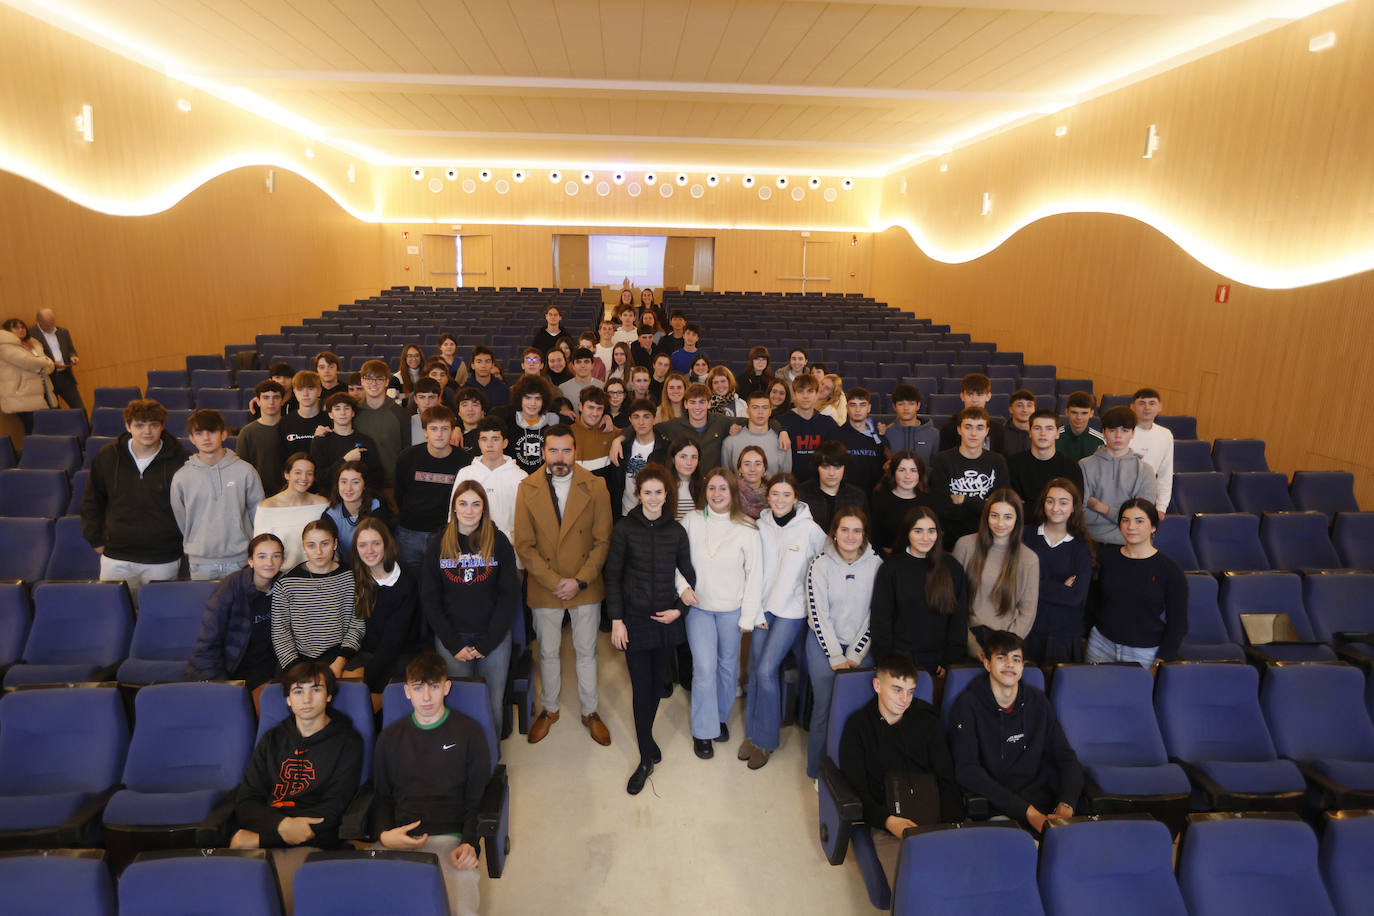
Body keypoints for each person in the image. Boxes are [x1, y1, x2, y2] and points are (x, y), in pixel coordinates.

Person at [229, 661, 364, 910]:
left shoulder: (348, 742)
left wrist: (262, 838)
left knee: (278, 902)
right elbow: (247, 800)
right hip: (271, 829)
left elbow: (333, 810)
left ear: (329, 695)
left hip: (312, 840)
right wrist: (282, 826)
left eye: (316, 689)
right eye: (298, 691)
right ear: (288, 700)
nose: (307, 699)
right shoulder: (272, 740)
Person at [513, 426, 614, 747]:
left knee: (587, 651)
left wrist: (580, 580)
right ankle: (551, 709)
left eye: (566, 451)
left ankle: (590, 711)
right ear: (543, 453)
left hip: (585, 583)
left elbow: (602, 541)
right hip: (546, 586)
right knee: (548, 652)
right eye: (553, 451)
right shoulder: (526, 488)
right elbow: (524, 545)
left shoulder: (596, 486)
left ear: (575, 452)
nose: (560, 458)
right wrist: (557, 582)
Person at [371, 651, 490, 916]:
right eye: (418, 688)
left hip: (450, 842)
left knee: (459, 910)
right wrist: (383, 835)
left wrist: (470, 842)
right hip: (399, 840)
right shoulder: (389, 738)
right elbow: (382, 797)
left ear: (446, 687)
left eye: (434, 687)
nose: (426, 697)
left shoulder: (470, 732)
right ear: (406, 692)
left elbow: (476, 799)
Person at [606, 463, 697, 794]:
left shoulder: (676, 531)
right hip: (634, 620)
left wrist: (680, 610)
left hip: (666, 621)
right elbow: (613, 576)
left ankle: (646, 738)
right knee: (642, 688)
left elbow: (688, 576)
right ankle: (646, 756)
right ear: (638, 494)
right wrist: (616, 620)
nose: (654, 497)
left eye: (659, 492)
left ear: (667, 494)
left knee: (657, 685)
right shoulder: (625, 529)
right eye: (648, 492)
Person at [838, 654, 963, 885]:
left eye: (910, 691)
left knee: (963, 882)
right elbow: (857, 788)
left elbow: (946, 778)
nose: (904, 699)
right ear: (877, 685)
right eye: (897, 690)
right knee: (916, 890)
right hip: (888, 825)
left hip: (935, 819)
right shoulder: (858, 728)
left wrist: (952, 826)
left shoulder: (927, 720)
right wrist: (887, 821)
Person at [947, 630, 1083, 834]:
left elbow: (1066, 758)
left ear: (1022, 666)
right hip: (999, 808)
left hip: (1045, 805)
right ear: (987, 663)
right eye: (1001, 658)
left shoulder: (1038, 701)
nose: (1010, 664)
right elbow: (967, 771)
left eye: (1016, 659)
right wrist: (1028, 812)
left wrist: (1066, 806)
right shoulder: (967, 705)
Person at [739, 473, 827, 770]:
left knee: (766, 670)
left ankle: (765, 741)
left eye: (785, 495)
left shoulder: (811, 530)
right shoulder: (759, 526)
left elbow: (823, 568)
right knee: (754, 670)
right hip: (762, 610)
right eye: (774, 494)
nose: (779, 500)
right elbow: (752, 570)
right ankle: (752, 733)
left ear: (796, 498)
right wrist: (754, 610)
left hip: (791, 611)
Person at [678, 467, 762, 759]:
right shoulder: (690, 520)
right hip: (699, 608)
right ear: (705, 492)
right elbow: (676, 559)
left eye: (722, 488)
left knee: (728, 668)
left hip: (731, 611)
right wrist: (681, 588)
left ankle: (719, 717)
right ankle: (703, 731)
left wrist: (747, 616)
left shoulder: (748, 528)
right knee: (704, 669)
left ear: (733, 493)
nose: (716, 494)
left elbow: (755, 575)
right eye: (712, 488)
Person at [423, 481, 520, 731]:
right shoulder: (437, 543)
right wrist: (453, 643)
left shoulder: (499, 542)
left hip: (493, 638)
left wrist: (488, 642)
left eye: (476, 504)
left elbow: (508, 597)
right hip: (452, 639)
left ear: (484, 509)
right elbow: (430, 598)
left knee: (491, 702)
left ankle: (490, 763)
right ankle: (461, 759)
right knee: (457, 702)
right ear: (454, 508)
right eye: (463, 504)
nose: (469, 510)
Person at [81, 398, 188, 596]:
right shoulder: (108, 457)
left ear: (162, 426)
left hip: (163, 557)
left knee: (158, 616)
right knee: (117, 615)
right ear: (128, 426)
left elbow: (191, 508)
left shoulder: (181, 460)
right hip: (117, 556)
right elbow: (92, 501)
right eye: (139, 425)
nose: (147, 431)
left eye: (153, 425)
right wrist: (95, 539)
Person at [803, 508, 881, 780]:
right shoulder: (819, 563)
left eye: (856, 530)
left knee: (856, 707)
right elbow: (817, 614)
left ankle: (849, 772)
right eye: (844, 529)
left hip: (861, 647)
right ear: (834, 533)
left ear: (864, 535)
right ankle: (817, 771)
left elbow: (876, 614)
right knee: (824, 707)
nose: (850, 536)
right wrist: (836, 656)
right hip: (824, 644)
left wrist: (855, 655)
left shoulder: (876, 565)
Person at [1086, 498, 1188, 668]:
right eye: (1125, 520)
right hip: (1101, 644)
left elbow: (1178, 622)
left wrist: (1164, 657)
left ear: (1153, 526)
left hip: (1144, 652)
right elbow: (1092, 603)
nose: (1131, 527)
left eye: (1139, 521)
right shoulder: (1106, 559)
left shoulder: (1170, 570)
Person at [186, 533, 286, 704]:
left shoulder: (285, 586)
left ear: (282, 560)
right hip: (230, 670)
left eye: (275, 556)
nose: (269, 563)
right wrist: (221, 686)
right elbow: (207, 644)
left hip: (265, 671)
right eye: (262, 557)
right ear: (251, 561)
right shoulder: (231, 587)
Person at [869, 506, 969, 675]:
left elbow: (959, 619)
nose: (925, 538)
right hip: (899, 660)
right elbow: (881, 619)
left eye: (931, 531)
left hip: (939, 662)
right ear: (907, 533)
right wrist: (885, 660)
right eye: (918, 531)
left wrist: (950, 661)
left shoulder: (952, 568)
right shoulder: (891, 568)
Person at [171, 408, 265, 580]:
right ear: (191, 439)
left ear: (223, 435)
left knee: (242, 608)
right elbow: (182, 520)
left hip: (241, 560)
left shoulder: (245, 471)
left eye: (212, 431)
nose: (206, 438)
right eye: (199, 433)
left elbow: (258, 515)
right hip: (200, 563)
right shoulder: (181, 477)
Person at [951, 489, 1038, 661]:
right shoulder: (965, 546)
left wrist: (1004, 649)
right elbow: (953, 601)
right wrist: (972, 645)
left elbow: (1027, 612)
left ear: (1017, 520)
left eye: (1008, 517)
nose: (1000, 523)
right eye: (995, 515)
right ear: (986, 516)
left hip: (1006, 645)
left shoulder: (1029, 559)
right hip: (966, 640)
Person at [346, 517, 420, 701]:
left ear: (386, 544)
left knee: (372, 697)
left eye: (376, 543)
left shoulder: (405, 582)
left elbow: (392, 643)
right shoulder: (355, 578)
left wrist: (365, 680)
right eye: (363, 545)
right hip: (364, 653)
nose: (369, 551)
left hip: (399, 656)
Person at [1022, 479, 1094, 666]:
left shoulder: (1081, 547)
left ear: (1073, 507)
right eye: (1050, 501)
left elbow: (1075, 597)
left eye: (1063, 502)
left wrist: (1035, 584)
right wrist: (1060, 588)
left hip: (1064, 636)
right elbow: (1016, 584)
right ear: (1043, 503)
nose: (1056, 508)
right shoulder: (1025, 536)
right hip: (1027, 630)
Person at [393, 405, 468, 578]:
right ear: (425, 431)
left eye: (444, 428)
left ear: (452, 431)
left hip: (447, 534)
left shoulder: (465, 461)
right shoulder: (407, 457)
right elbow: (399, 493)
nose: (439, 434)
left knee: (445, 584)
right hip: (410, 533)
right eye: (433, 428)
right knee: (409, 586)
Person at [928, 406, 1010, 547]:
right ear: (959, 430)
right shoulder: (942, 460)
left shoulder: (997, 461)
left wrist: (965, 499)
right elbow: (940, 507)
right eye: (968, 427)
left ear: (987, 431)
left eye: (979, 428)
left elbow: (1001, 506)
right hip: (950, 538)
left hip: (988, 537)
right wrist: (982, 505)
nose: (973, 433)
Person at [1079, 405, 1156, 545]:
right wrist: (1125, 518)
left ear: (1133, 433)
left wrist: (1103, 508)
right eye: (1112, 430)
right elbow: (1081, 513)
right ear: (1103, 432)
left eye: (1125, 431)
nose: (1118, 436)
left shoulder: (1145, 471)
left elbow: (1143, 517)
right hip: (1092, 541)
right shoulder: (1085, 465)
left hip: (1131, 543)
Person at [451, 417, 527, 552]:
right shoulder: (466, 474)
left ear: (505, 443)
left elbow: (526, 522)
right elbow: (453, 515)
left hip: (510, 551)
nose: (489, 444)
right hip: (471, 551)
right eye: (484, 439)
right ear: (479, 442)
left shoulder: (520, 477)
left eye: (495, 439)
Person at [253, 453, 330, 571]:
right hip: (280, 575)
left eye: (309, 473)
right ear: (287, 474)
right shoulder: (268, 507)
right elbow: (260, 548)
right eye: (298, 472)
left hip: (316, 573)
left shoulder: (322, 504)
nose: (304, 478)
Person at [354, 359, 410, 493]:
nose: (373, 383)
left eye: (379, 379)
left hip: (392, 486)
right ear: (362, 381)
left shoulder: (400, 413)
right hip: (359, 486)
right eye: (369, 378)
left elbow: (407, 452)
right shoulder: (353, 412)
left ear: (386, 382)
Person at [1008, 408, 1083, 506]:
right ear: (1030, 432)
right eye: (1037, 428)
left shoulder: (1071, 467)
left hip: (1059, 520)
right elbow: (1012, 505)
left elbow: (1075, 505)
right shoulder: (1013, 464)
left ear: (1057, 434)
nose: (1043, 433)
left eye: (1049, 428)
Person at [607, 398, 668, 517]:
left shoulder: (664, 448)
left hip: (654, 513)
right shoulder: (621, 447)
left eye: (646, 417)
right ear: (630, 420)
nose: (641, 422)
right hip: (625, 513)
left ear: (654, 419)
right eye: (636, 417)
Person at [311, 392, 383, 489]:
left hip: (360, 498)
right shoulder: (320, 441)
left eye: (347, 408)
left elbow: (376, 475)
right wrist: (345, 460)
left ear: (353, 413)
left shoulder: (366, 441)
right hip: (330, 499)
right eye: (337, 409)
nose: (342, 413)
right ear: (330, 414)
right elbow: (319, 477)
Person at [322, 460, 391, 561]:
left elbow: (384, 546)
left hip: (375, 564)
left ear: (365, 485)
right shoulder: (330, 515)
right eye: (343, 482)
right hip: (346, 570)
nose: (348, 488)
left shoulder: (377, 507)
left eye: (355, 482)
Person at [779, 373, 840, 484]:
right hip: (791, 485)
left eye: (810, 391)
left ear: (817, 394)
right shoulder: (781, 422)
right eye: (800, 391)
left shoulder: (828, 423)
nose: (805, 396)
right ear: (795, 395)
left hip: (820, 485)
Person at [868, 451, 932, 554]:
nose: (908, 476)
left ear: (920, 473)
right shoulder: (880, 499)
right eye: (902, 470)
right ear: (893, 472)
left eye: (913, 470)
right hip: (886, 560)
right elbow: (873, 538)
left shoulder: (928, 501)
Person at [799, 441, 868, 535]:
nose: (831, 473)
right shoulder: (801, 494)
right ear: (817, 467)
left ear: (844, 467)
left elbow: (866, 532)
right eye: (825, 467)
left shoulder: (857, 496)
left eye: (837, 467)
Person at [720, 390, 792, 479]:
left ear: (770, 411)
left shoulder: (782, 442)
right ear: (747, 411)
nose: (760, 412)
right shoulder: (730, 442)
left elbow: (785, 478)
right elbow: (727, 478)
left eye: (765, 407)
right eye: (755, 407)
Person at [0, 318, 54, 433]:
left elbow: (49, 366)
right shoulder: (4, 346)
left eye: (22, 327)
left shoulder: (33, 343)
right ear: (7, 331)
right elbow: (28, 361)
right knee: (34, 430)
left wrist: (44, 362)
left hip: (41, 392)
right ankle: (33, 451)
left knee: (45, 428)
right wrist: (44, 361)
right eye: (16, 327)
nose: (21, 330)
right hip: (21, 395)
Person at [1129, 388, 1174, 513]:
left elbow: (1165, 473)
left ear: (1160, 407)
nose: (1147, 407)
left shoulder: (1165, 435)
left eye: (1152, 403)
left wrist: (1161, 507)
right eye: (1142, 403)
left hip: (1148, 497)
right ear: (1132, 406)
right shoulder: (1123, 432)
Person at [504, 375, 560, 474]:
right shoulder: (509, 422)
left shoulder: (552, 424)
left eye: (537, 398)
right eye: (528, 398)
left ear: (543, 401)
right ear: (520, 399)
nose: (533, 403)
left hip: (544, 480)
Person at [834, 387, 885, 495]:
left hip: (874, 495)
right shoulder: (836, 436)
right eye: (853, 405)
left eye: (862, 405)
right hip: (845, 495)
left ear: (869, 408)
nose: (858, 410)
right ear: (847, 407)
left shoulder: (879, 437)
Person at [31, 308, 83, 412]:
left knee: (80, 408)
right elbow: (33, 358)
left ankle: (87, 428)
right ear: (38, 321)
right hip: (48, 379)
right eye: (47, 325)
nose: (51, 327)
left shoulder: (63, 332)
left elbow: (71, 350)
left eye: (52, 323)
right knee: (55, 412)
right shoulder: (31, 335)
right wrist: (52, 364)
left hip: (65, 376)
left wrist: (73, 357)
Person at [237, 380, 287, 487]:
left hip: (289, 494)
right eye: (266, 397)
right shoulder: (247, 432)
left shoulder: (292, 427)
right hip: (257, 493)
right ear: (258, 401)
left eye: (276, 397)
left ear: (283, 401)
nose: (271, 402)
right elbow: (241, 469)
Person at [938, 374, 1005, 452]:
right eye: (970, 394)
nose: (974, 400)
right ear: (962, 396)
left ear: (988, 396)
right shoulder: (948, 429)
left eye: (980, 394)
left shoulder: (998, 430)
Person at [880, 384, 939, 467]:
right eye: (901, 404)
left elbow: (936, 467)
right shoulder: (886, 433)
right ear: (894, 407)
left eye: (911, 404)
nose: (906, 408)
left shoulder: (934, 434)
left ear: (918, 406)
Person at [280, 370, 326, 459]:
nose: (305, 394)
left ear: (319, 391)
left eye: (310, 388)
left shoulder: (329, 421)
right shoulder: (285, 422)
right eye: (300, 389)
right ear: (295, 392)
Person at [1056, 391, 1104, 462]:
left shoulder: (1101, 441)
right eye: (1074, 412)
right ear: (1066, 412)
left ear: (1091, 413)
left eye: (1084, 413)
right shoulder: (1053, 436)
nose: (1079, 417)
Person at [665, 437, 703, 520]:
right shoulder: (662, 485)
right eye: (683, 457)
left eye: (694, 457)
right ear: (673, 459)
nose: (689, 462)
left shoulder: (705, 486)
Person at [559, 347, 604, 411]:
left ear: (592, 365)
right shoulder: (563, 389)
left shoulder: (602, 387)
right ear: (573, 366)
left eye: (586, 362)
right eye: (578, 362)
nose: (582, 365)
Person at [734, 445, 769, 520]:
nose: (752, 469)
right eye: (747, 464)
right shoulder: (731, 493)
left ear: (764, 469)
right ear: (740, 469)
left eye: (757, 464)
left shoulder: (774, 494)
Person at [1002, 389, 1036, 456]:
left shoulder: (1041, 432)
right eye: (1019, 405)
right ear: (1011, 409)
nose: (1025, 410)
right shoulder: (1001, 433)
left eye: (1029, 405)